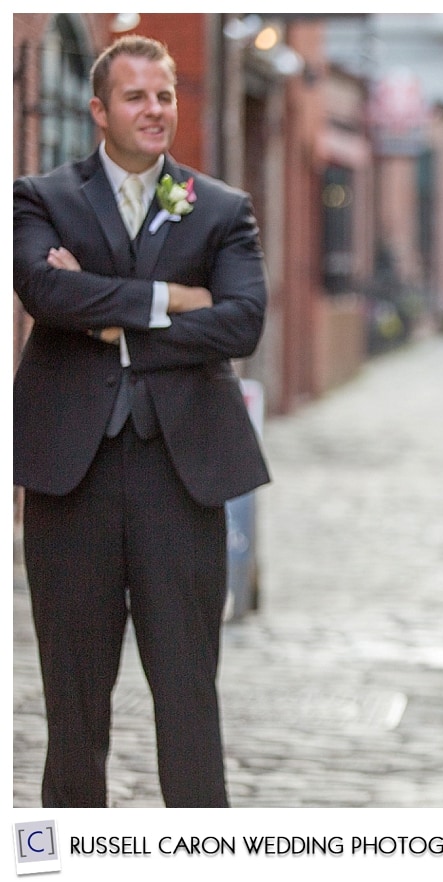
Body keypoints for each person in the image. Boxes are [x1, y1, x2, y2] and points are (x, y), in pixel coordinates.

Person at [12, 34, 270, 807]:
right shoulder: (41, 197)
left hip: (181, 474)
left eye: (164, 96)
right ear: (99, 110)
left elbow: (243, 325)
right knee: (73, 703)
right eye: (136, 97)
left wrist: (105, 312)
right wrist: (171, 299)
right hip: (71, 475)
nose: (155, 110)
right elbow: (44, 295)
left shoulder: (221, 207)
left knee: (190, 694)